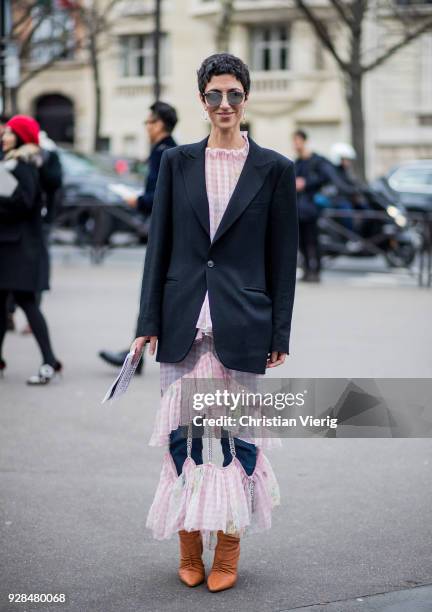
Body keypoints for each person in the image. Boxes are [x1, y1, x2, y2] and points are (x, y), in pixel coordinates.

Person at [130, 54, 298, 592]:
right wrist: (147, 320)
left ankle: (227, 552)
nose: (223, 105)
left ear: (245, 99)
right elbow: (159, 247)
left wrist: (280, 334)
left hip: (244, 323)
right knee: (184, 440)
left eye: (233, 95)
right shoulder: (176, 162)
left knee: (237, 441)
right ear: (201, 100)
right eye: (213, 95)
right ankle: (188, 545)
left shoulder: (274, 168)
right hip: (184, 323)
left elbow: (282, 259)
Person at [98, 101, 178, 375]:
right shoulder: (166, 149)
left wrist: (136, 200)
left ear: (160, 125)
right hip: (166, 229)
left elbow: (159, 196)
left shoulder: (164, 152)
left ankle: (136, 356)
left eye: (149, 122)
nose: (146, 127)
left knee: (153, 290)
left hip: (164, 231)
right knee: (155, 291)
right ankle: (136, 355)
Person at [0, 115, 62, 384]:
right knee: (2, 305)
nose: (4, 136)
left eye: (10, 133)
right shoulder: (11, 162)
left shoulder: (22, 164)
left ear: (22, 137)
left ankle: (49, 361)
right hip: (11, 246)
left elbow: (23, 203)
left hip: (21, 248)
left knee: (26, 302)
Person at [292, 129, 330, 283]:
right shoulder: (297, 162)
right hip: (299, 209)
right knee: (301, 242)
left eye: (298, 140)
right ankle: (307, 270)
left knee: (313, 241)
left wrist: (306, 183)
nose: (295, 144)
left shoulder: (315, 160)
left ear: (304, 141)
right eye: (294, 141)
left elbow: (325, 178)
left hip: (311, 208)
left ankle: (317, 271)